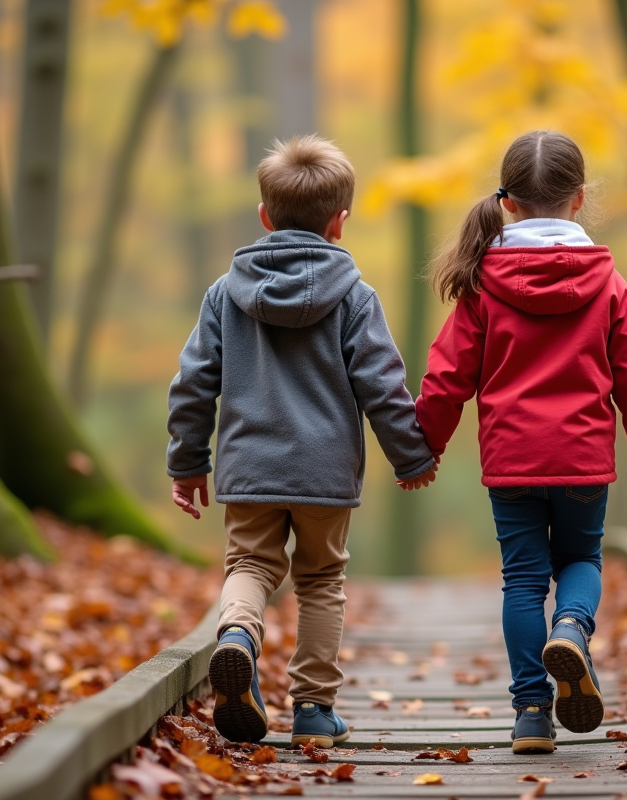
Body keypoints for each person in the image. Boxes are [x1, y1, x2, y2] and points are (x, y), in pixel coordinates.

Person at [166, 134, 437, 748]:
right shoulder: (355, 297)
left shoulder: (222, 295)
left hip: (248, 465)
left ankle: (237, 632)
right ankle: (314, 708)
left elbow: (192, 383)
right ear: (340, 222)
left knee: (251, 565)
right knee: (320, 581)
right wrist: (411, 455)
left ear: (264, 216)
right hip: (325, 472)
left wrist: (188, 464)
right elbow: (383, 385)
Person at [408, 130, 627, 754]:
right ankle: (573, 630)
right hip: (582, 461)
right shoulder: (608, 284)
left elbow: (447, 378)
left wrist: (425, 447)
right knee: (581, 561)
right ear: (579, 199)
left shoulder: (481, 284)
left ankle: (531, 715)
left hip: (513, 462)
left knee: (523, 581)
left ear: (509, 204)